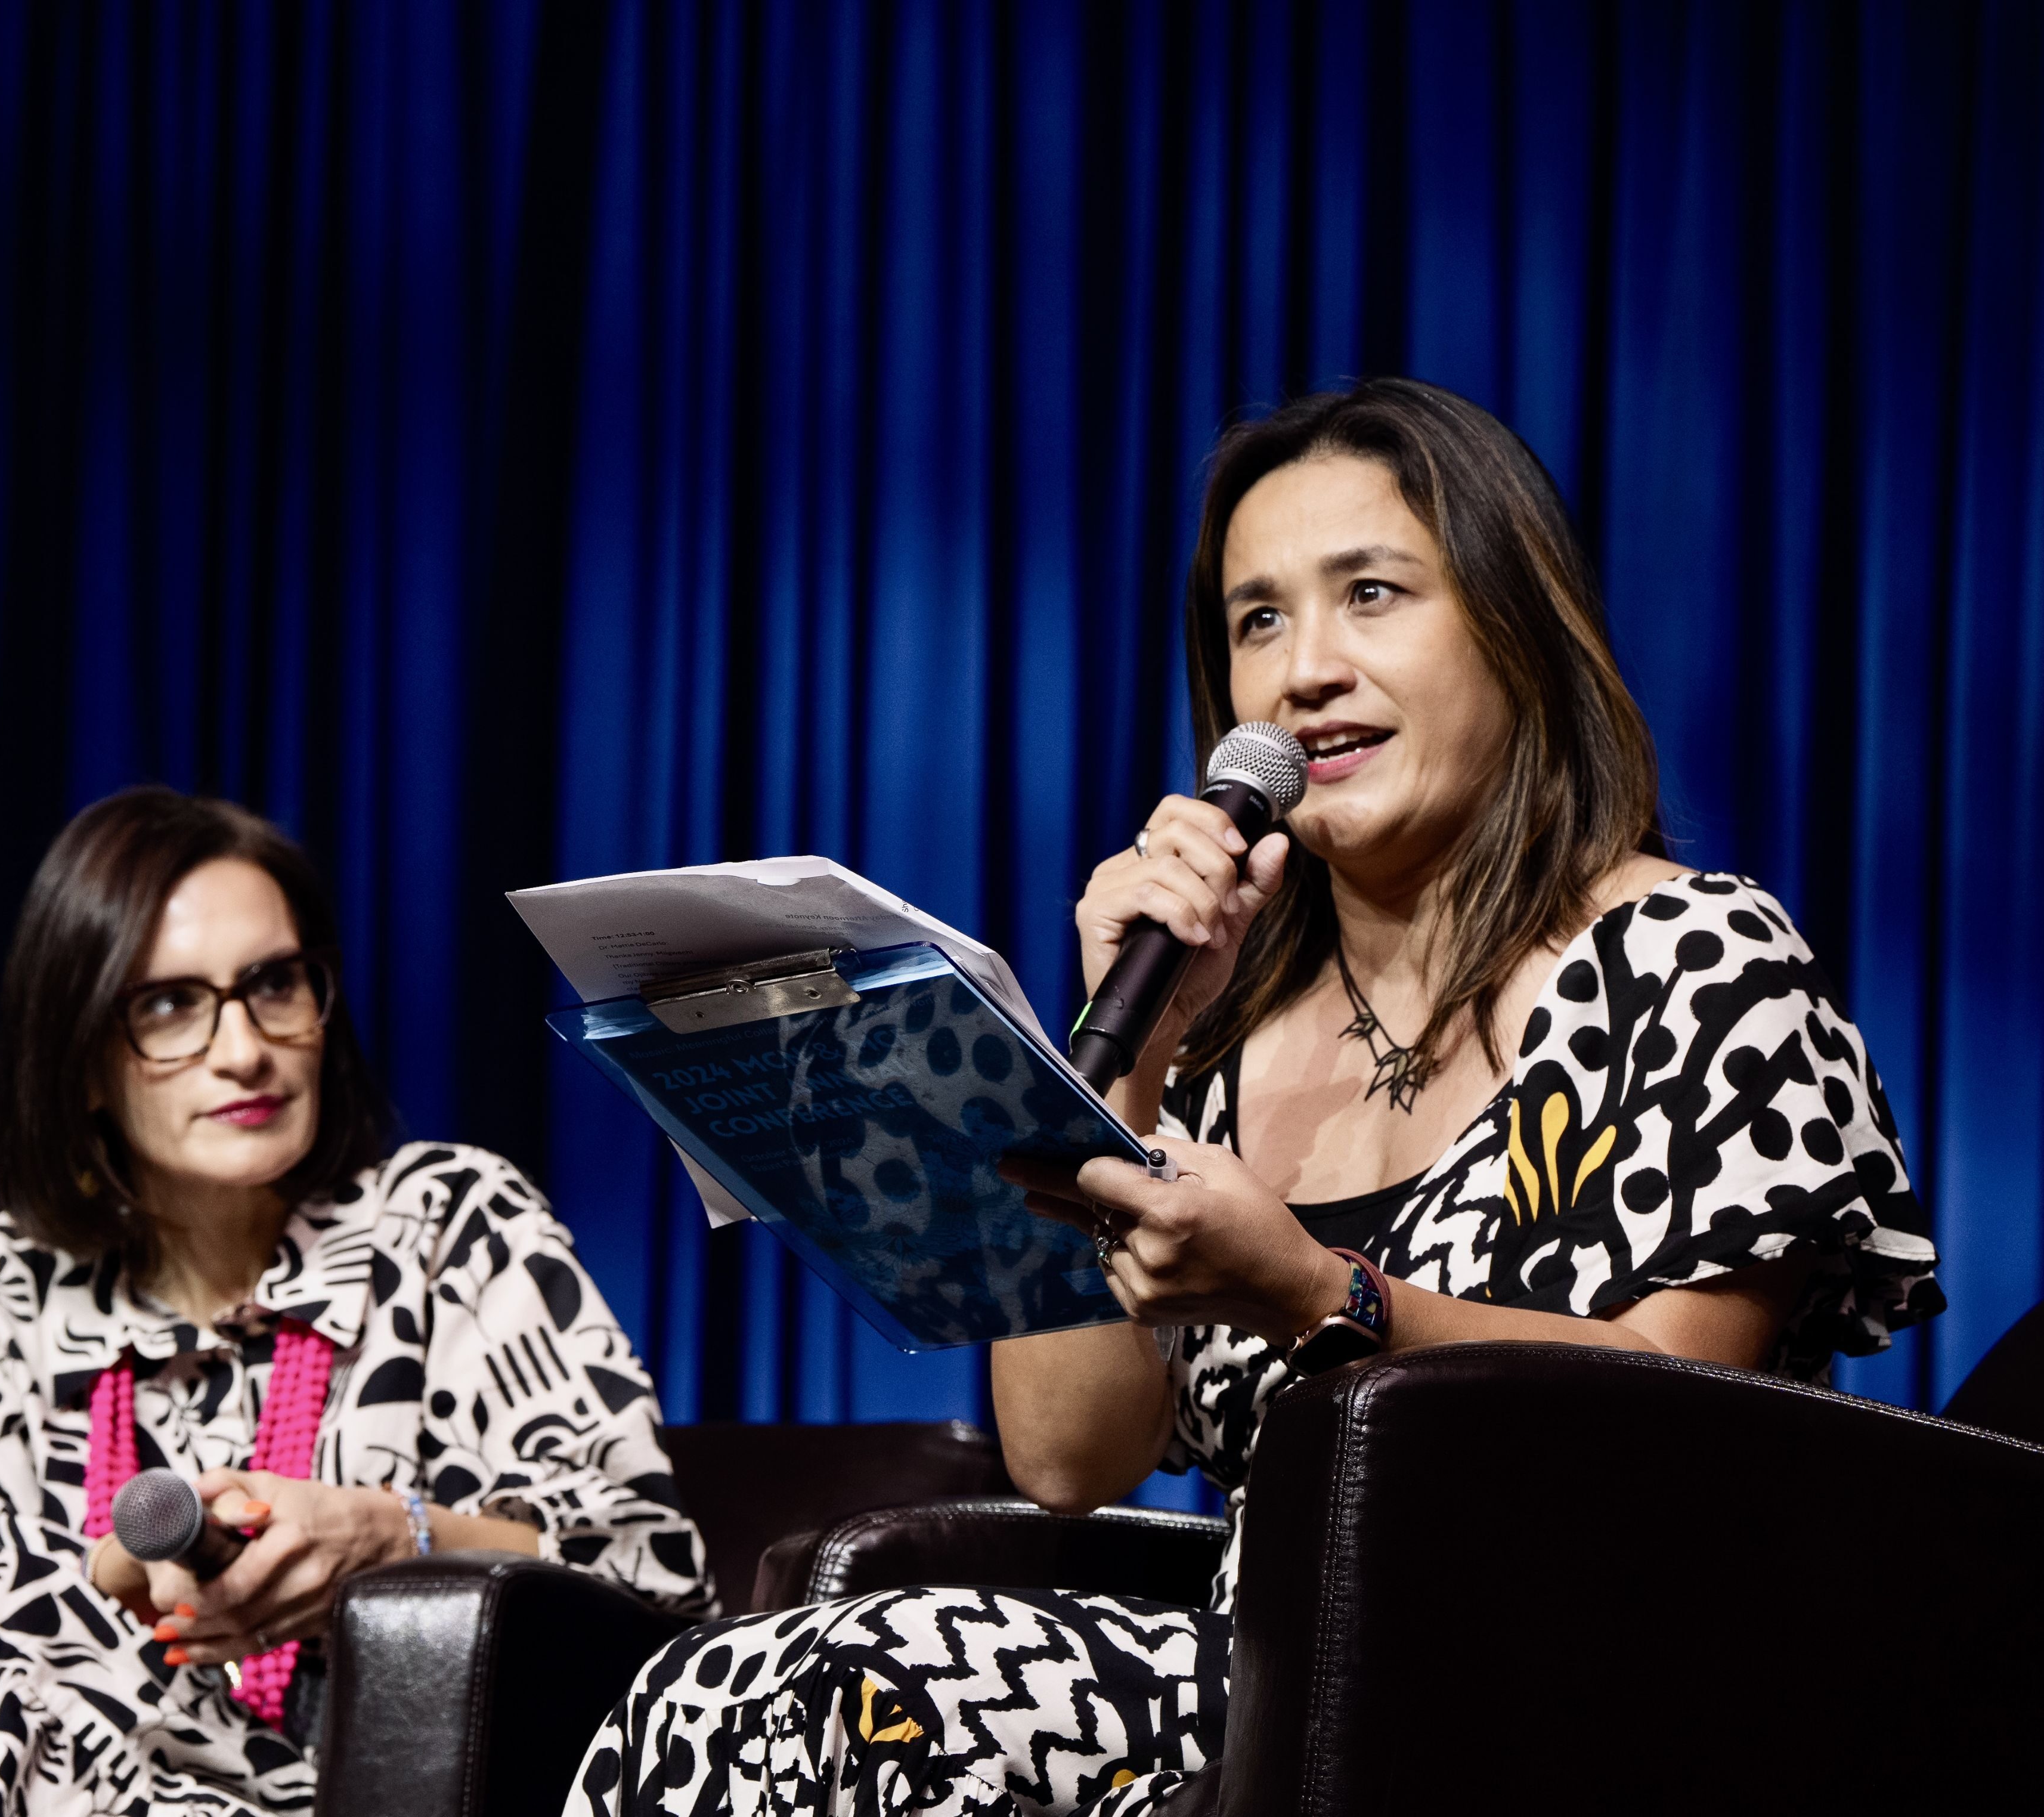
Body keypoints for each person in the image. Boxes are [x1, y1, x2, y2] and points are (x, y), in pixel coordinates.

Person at [566, 378, 1940, 1817]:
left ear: (1515, 629)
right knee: (720, 1687)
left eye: (1372, 595)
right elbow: (1065, 1459)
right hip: (1273, 1709)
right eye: (1258, 620)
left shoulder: (1692, 954)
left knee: (854, 1682)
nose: (1304, 673)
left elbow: (1689, 1406)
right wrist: (1131, 1059)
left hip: (1602, 1692)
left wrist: (1318, 1296)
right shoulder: (1226, 1043)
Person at [0, 787, 710, 1817]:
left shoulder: (448, 1224)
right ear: (83, 1058)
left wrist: (397, 1536)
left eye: (274, 984)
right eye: (168, 1004)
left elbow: (654, 1578)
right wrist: (107, 1574)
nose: (242, 1050)